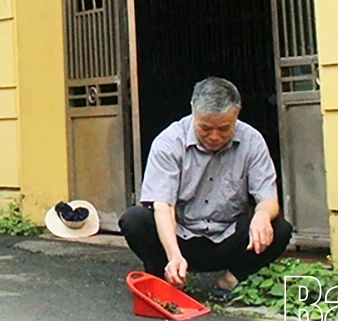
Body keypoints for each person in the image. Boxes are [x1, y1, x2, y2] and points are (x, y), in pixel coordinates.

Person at [119, 77, 293, 300]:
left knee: (279, 227)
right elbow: (163, 206)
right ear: (193, 111)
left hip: (229, 237)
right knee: (135, 220)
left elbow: (268, 198)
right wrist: (174, 255)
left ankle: (230, 281)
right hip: (180, 237)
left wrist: (262, 215)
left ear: (237, 114)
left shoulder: (252, 141)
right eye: (205, 127)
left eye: (224, 128)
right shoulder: (169, 141)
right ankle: (165, 277)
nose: (214, 136)